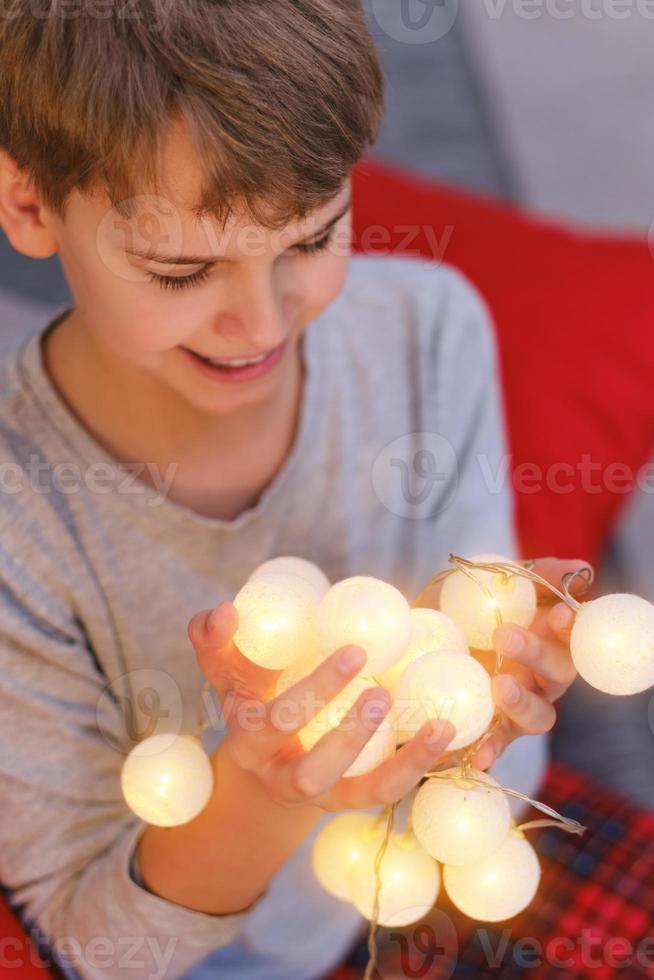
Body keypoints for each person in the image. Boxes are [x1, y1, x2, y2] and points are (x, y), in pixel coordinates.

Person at [0, 3, 584, 978]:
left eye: (311, 239)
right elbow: (91, 945)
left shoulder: (428, 331)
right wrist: (262, 795)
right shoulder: (26, 524)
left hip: (416, 889)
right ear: (29, 207)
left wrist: (486, 708)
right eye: (183, 269)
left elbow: (506, 777)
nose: (262, 323)